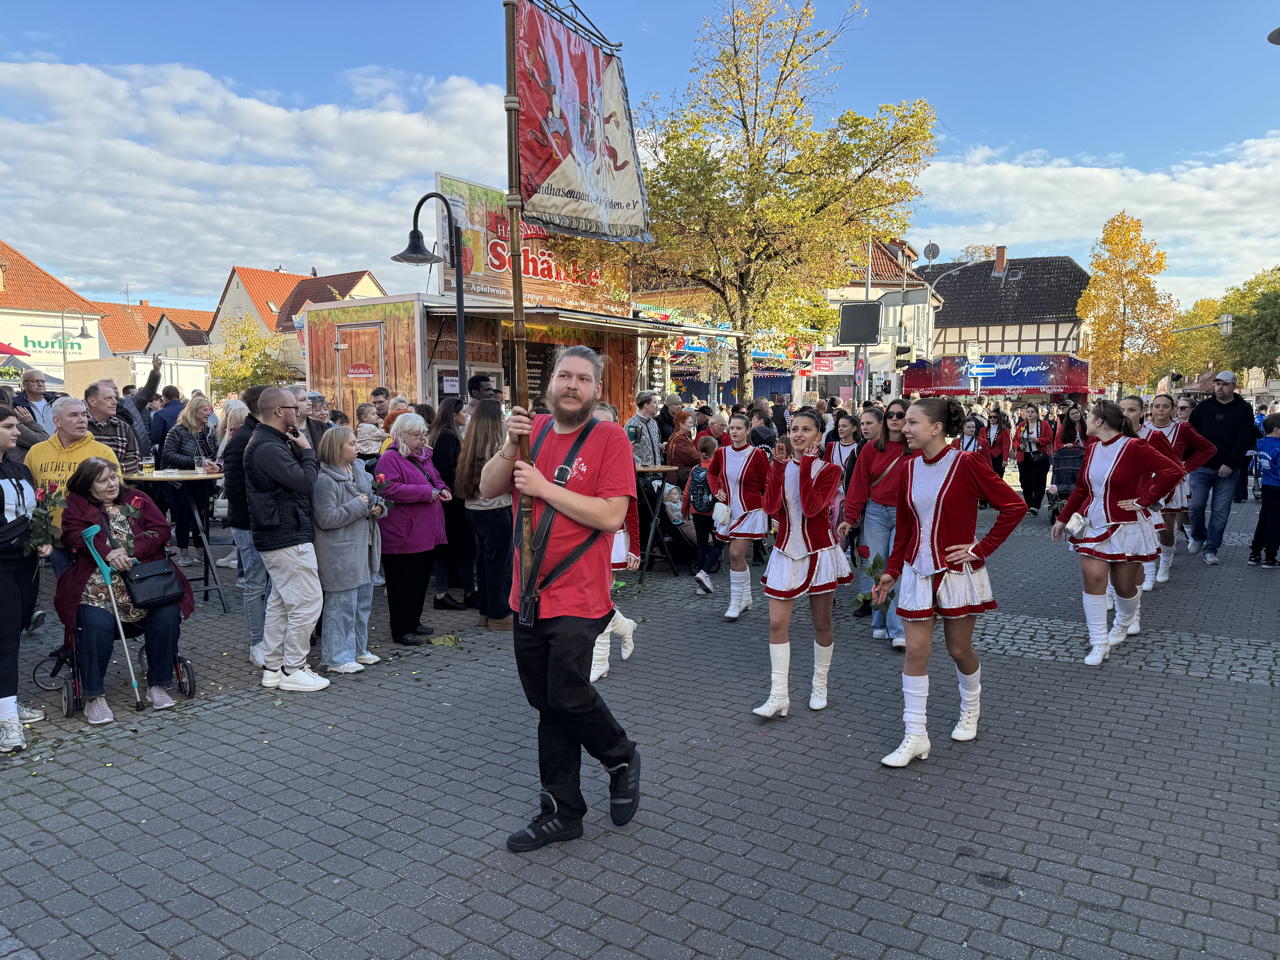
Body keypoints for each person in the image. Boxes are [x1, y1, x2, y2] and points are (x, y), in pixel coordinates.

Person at [478, 345, 640, 853]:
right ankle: (562, 810)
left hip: (580, 593)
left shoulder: (610, 437)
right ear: (550, 383)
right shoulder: (535, 431)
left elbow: (612, 516)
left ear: (596, 390)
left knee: (568, 694)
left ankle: (619, 755)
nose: (572, 385)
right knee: (547, 703)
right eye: (564, 376)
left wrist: (545, 488)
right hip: (527, 593)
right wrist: (510, 445)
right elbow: (485, 488)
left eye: (583, 379)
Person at [872, 399, 1027, 767]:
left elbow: (1013, 506)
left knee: (959, 650)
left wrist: (980, 548)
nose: (903, 428)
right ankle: (915, 736)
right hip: (915, 571)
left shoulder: (966, 463)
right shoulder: (908, 468)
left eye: (911, 422)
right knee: (915, 651)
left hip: (956, 573)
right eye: (903, 422)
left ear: (936, 428)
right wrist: (892, 570)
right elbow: (906, 528)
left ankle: (970, 709)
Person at [55, 457, 195, 724]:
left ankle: (158, 683)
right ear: (88, 484)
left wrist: (130, 552)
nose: (112, 484)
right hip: (97, 582)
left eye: (113, 477)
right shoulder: (77, 503)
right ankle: (94, 696)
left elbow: (160, 529)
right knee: (94, 624)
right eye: (103, 480)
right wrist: (107, 553)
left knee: (166, 614)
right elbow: (72, 533)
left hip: (145, 579)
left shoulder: (137, 497)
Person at [1052, 401, 1182, 667]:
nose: (1085, 420)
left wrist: (1144, 500)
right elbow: (1082, 488)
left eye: (1089, 416)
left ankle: (1124, 622)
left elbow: (1173, 471)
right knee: (1094, 579)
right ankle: (1099, 642)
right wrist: (1062, 519)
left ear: (1100, 421)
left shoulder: (1134, 446)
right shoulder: (1092, 448)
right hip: (1093, 523)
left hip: (1127, 525)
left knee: (1124, 587)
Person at [754, 411, 851, 719]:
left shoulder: (830, 470)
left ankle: (819, 685)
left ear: (818, 436)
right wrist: (777, 467)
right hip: (785, 551)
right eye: (794, 429)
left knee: (821, 623)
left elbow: (811, 509)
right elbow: (769, 507)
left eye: (806, 429)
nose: (797, 434)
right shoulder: (781, 466)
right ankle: (778, 695)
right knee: (775, 623)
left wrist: (806, 465)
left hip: (819, 552)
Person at [244, 387, 329, 692]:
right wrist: (307, 450)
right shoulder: (267, 446)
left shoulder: (273, 442)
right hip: (284, 534)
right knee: (307, 602)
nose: (299, 410)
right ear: (279, 411)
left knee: (281, 603)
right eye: (294, 406)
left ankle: (274, 668)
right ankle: (294, 668)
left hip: (283, 531)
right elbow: (305, 483)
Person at [0, 406, 52, 752]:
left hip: (26, 564)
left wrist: (43, 536)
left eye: (16, 426)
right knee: (4, 640)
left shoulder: (20, 468)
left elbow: (35, 511)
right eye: (7, 426)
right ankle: (6, 721)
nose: (16, 432)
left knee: (15, 635)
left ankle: (5, 701)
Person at [313, 426, 385, 672]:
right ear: (337, 448)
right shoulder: (324, 480)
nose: (357, 448)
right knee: (341, 605)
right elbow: (326, 518)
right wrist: (359, 506)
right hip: (340, 552)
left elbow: (372, 500)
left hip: (364, 547)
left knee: (362, 604)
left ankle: (357, 649)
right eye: (352, 444)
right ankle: (336, 657)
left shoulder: (358, 472)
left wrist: (378, 507)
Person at [839, 401, 909, 648]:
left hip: (905, 514)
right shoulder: (870, 449)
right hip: (876, 513)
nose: (894, 419)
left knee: (895, 570)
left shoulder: (917, 449)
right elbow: (858, 484)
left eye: (900, 415)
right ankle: (879, 621)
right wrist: (850, 518)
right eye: (890, 414)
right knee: (876, 570)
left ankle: (896, 627)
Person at [376, 413, 448, 645]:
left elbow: (435, 479)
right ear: (402, 434)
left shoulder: (424, 455)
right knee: (401, 585)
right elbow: (388, 490)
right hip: (402, 533)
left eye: (424, 434)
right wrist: (425, 493)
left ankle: (414, 622)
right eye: (417, 435)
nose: (423, 439)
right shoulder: (390, 458)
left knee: (419, 581)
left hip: (425, 531)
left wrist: (443, 489)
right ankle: (401, 629)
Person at [25, 397, 120, 572]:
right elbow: (30, 496)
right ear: (57, 421)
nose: (82, 420)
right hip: (56, 542)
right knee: (67, 591)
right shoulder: (36, 452)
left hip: (93, 540)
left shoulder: (101, 452)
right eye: (73, 415)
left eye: (84, 415)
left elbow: (117, 493)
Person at [1138, 394, 1216, 585]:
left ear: (1173, 409)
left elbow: (1208, 449)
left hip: (1172, 484)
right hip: (1146, 483)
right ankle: (1148, 571)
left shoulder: (1182, 428)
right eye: (1157, 406)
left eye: (1166, 406)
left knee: (1165, 528)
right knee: (1145, 528)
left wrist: (1186, 467)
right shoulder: (1141, 429)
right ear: (1151, 409)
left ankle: (1164, 564)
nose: (1161, 410)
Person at [588, 401, 639, 681]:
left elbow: (632, 507)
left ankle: (600, 660)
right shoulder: (578, 452)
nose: (600, 429)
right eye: (594, 422)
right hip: (584, 534)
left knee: (601, 598)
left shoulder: (622, 456)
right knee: (596, 599)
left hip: (613, 535)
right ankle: (625, 627)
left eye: (606, 423)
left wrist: (636, 547)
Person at [454, 398, 513, 629]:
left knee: (485, 561)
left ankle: (487, 611)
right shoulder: (499, 445)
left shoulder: (471, 440)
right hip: (496, 507)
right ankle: (500, 614)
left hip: (474, 508)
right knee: (501, 564)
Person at [222, 386, 271, 664]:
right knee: (255, 583)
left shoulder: (268, 434)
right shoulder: (242, 439)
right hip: (250, 525)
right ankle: (257, 642)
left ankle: (271, 638)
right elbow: (236, 490)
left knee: (273, 584)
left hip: (267, 523)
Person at [1188, 372, 1257, 564]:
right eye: (1217, 383)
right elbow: (1191, 434)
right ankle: (1198, 536)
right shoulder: (1204, 407)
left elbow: (1244, 439)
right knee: (1195, 506)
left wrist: (1231, 463)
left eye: (1224, 384)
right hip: (1201, 466)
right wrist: (1189, 459)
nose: (1220, 388)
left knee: (1220, 511)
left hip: (1228, 469)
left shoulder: (1243, 409)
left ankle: (1211, 549)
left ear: (1234, 386)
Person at [709, 413, 770, 615]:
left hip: (750, 510)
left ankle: (735, 602)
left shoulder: (757, 455)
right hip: (729, 510)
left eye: (738, 428)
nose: (734, 431)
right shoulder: (721, 453)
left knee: (736, 553)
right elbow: (712, 472)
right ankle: (745, 598)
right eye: (731, 428)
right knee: (734, 556)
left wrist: (770, 510)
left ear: (747, 431)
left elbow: (765, 483)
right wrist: (715, 490)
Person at [160, 395, 220, 568]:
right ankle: (184, 553)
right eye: (205, 409)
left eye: (209, 409)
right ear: (194, 411)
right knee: (184, 517)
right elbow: (168, 455)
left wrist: (215, 464)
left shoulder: (209, 430)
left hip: (205, 481)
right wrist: (195, 461)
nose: (209, 413)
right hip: (182, 482)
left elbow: (216, 453)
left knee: (202, 517)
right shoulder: (178, 431)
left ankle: (202, 552)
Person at [427, 397, 475, 610]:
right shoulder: (446, 437)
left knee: (454, 546)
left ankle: (459, 590)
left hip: (451, 498)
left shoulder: (444, 435)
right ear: (454, 415)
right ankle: (445, 593)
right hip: (452, 501)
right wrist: (467, 478)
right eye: (463, 412)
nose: (466, 415)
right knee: (454, 546)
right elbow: (446, 469)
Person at [682, 436, 721, 601]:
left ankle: (700, 585)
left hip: (696, 512)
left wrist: (684, 510)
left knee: (702, 545)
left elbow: (687, 491)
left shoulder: (695, 469)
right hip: (714, 512)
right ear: (715, 451)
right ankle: (704, 572)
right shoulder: (717, 470)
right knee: (719, 543)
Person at [84, 381, 141, 475]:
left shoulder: (123, 427)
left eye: (115, 398)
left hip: (117, 486)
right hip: (82, 486)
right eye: (108, 398)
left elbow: (135, 461)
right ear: (92, 401)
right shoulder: (77, 425)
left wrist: (109, 471)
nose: (115, 402)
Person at [1248, 413, 1280, 568]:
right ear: (1276, 429)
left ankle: (1255, 553)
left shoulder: (1261, 443)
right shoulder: (1278, 446)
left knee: (1264, 520)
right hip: (1277, 486)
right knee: (1275, 523)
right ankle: (1270, 556)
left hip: (1267, 485)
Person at [1013, 403, 1054, 515]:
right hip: (1024, 456)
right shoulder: (1022, 425)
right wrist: (1018, 445)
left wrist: (1037, 440)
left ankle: (1035, 506)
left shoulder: (1044, 424)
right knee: (1025, 482)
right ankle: (1029, 504)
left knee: (1039, 482)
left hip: (1039, 456)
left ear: (1037, 413)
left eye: (1032, 412)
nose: (1030, 414)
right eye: (1028, 412)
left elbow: (1049, 438)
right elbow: (1015, 439)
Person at [825, 412, 860, 534]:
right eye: (839, 426)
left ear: (854, 428)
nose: (840, 429)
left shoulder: (859, 448)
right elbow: (824, 470)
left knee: (849, 533)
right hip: (833, 495)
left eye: (844, 426)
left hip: (851, 496)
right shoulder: (831, 446)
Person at [624, 390, 664, 467]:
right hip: (642, 475)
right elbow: (630, 450)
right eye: (654, 402)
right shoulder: (634, 425)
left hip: (657, 473)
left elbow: (654, 444)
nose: (657, 406)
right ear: (646, 405)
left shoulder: (653, 423)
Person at [663, 410, 699, 490]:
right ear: (681, 424)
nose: (691, 425)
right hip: (680, 478)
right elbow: (693, 458)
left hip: (679, 476)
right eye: (689, 422)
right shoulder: (679, 439)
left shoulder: (677, 437)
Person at [14, 369, 57, 435]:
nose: (40, 384)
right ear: (24, 384)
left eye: (42, 381)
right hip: (33, 444)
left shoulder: (56, 402)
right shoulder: (15, 405)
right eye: (35, 381)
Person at [148, 386, 185, 455]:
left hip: (167, 454)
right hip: (189, 453)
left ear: (164, 397)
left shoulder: (160, 414)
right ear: (179, 396)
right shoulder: (189, 411)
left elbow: (155, 438)